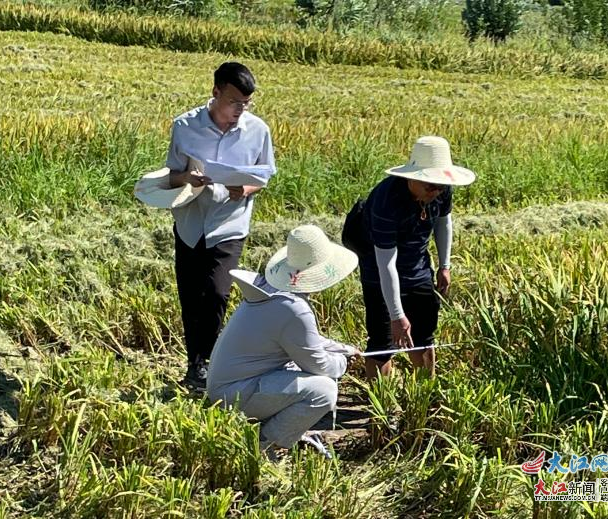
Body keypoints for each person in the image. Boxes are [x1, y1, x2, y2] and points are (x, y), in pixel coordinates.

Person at [165, 62, 276, 389]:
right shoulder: (185, 126)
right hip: (191, 222)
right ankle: (194, 365)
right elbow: (170, 175)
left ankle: (210, 364)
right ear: (215, 93)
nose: (240, 109)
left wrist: (247, 189)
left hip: (230, 223)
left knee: (216, 293)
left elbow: (265, 175)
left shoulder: (258, 130)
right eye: (234, 102)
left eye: (246, 103)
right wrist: (188, 178)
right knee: (191, 296)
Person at [206, 225, 360, 456]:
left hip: (229, 386)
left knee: (303, 372)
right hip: (233, 395)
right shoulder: (294, 309)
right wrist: (343, 362)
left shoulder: (275, 293)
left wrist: (344, 349)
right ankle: (264, 445)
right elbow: (319, 364)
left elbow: (304, 342)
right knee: (323, 391)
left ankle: (271, 432)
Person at [343, 136, 476, 379]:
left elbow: (443, 222)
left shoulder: (440, 189)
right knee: (383, 342)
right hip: (379, 274)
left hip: (418, 269)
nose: (435, 192)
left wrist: (444, 266)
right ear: (412, 178)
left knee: (423, 336)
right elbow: (386, 263)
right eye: (430, 186)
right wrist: (396, 315)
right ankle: (381, 408)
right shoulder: (386, 202)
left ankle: (424, 394)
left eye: (440, 187)